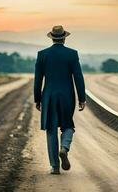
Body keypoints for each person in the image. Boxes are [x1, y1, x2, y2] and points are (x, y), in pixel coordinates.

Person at [34, 25, 86, 175]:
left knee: (51, 130)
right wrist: (82, 98)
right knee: (67, 125)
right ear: (64, 38)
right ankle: (64, 147)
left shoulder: (42, 54)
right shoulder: (72, 54)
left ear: (52, 37)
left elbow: (38, 80)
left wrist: (38, 99)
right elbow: (78, 77)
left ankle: (55, 167)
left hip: (49, 96)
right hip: (67, 96)